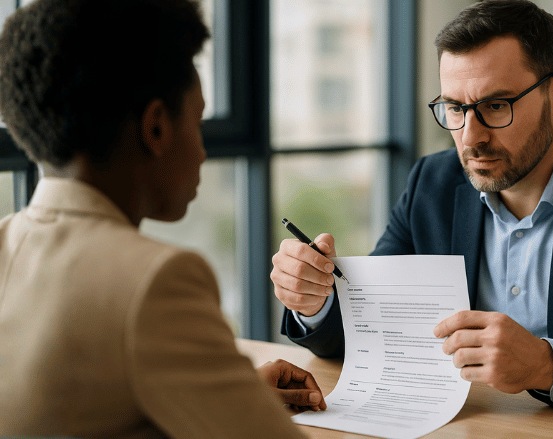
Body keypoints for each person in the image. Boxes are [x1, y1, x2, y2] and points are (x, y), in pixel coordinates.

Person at [270, 0, 553, 415]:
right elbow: (373, 330)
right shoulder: (432, 183)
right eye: (455, 108)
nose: (470, 137)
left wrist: (547, 364)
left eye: (496, 105)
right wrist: (317, 303)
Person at [0, 0, 324, 437]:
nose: (204, 151)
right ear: (156, 128)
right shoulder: (156, 281)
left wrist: (236, 395)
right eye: (198, 121)